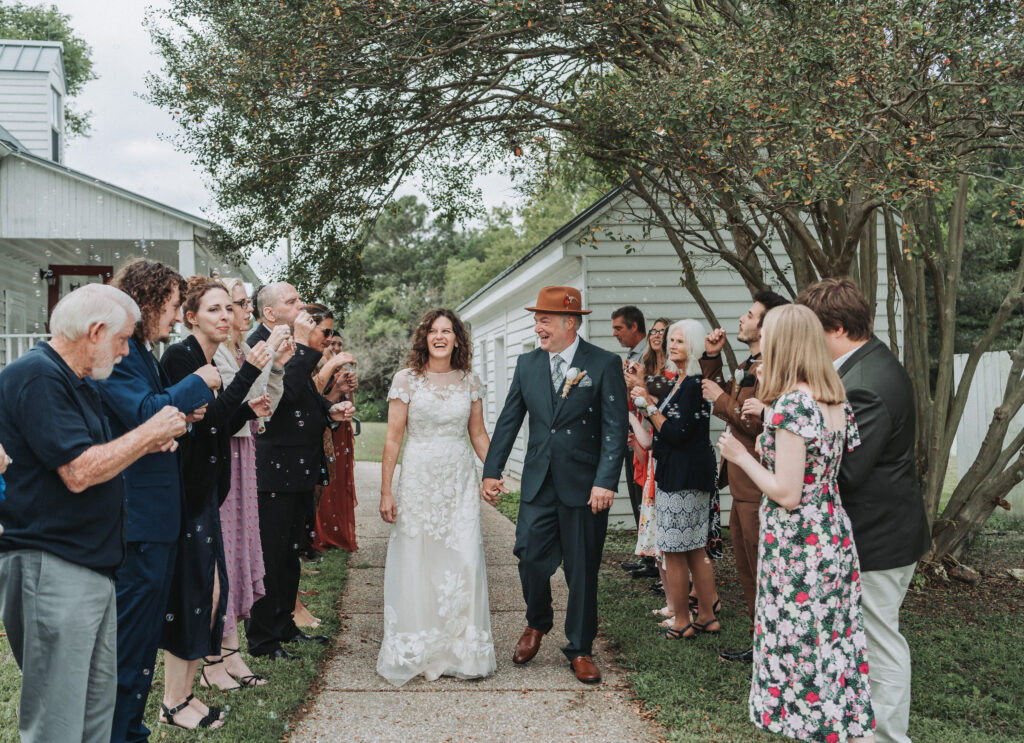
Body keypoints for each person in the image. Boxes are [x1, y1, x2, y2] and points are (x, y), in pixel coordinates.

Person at [0, 284, 186, 743]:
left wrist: (142, 441)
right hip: (53, 565)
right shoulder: (39, 376)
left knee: (94, 714)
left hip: (89, 565)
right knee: (58, 722)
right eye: (123, 339)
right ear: (96, 331)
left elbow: (94, 455)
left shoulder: (78, 380)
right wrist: (147, 434)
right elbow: (79, 471)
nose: (126, 352)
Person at [718, 303, 875, 742]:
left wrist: (741, 457)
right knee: (830, 642)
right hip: (831, 531)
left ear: (785, 342)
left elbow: (787, 492)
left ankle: (804, 727)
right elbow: (831, 464)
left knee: (798, 646)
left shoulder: (791, 405)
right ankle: (836, 726)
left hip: (798, 541)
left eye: (767, 333)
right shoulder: (835, 398)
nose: (761, 340)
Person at [797, 277, 930, 743]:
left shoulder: (866, 384)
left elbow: (847, 470)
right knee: (865, 638)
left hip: (878, 536)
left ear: (834, 327)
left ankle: (890, 737)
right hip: (879, 531)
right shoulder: (864, 365)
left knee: (878, 639)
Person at [95, 259, 219, 743]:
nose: (175, 315)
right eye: (170, 305)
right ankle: (119, 731)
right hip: (139, 521)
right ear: (147, 302)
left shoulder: (144, 351)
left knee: (145, 638)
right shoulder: (122, 355)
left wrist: (181, 419)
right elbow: (143, 411)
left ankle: (130, 726)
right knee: (130, 642)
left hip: (159, 518)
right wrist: (198, 382)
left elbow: (151, 415)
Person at [482, 286, 628, 685]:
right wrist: (491, 471)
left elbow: (615, 429)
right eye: (537, 319)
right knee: (528, 555)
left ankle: (579, 648)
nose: (537, 327)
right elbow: (509, 420)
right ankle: (537, 622)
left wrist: (604, 481)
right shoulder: (527, 364)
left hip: (585, 486)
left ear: (570, 322)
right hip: (538, 481)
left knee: (582, 570)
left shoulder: (603, 363)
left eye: (544, 319)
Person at [159, 278, 275, 730]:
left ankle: (184, 695)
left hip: (208, 488)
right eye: (215, 310)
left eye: (229, 309)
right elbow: (193, 426)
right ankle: (174, 702)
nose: (227, 317)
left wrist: (248, 409)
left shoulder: (207, 359)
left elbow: (217, 420)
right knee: (195, 595)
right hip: (186, 492)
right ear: (191, 317)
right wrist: (248, 374)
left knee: (210, 593)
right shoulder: (181, 358)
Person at [376, 308, 497, 685]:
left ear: (458, 339)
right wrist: (386, 491)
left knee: (463, 558)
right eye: (434, 331)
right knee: (418, 558)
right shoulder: (407, 380)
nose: (440, 336)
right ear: (424, 338)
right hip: (419, 478)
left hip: (459, 480)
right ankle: (419, 646)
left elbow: (477, 435)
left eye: (447, 331)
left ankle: (461, 651)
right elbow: (394, 437)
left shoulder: (470, 381)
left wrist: (492, 472)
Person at [246, 297, 355, 660]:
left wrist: (330, 410)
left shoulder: (291, 344)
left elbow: (303, 398)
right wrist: (308, 349)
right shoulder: (260, 345)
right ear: (271, 313)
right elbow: (277, 404)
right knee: (272, 558)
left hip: (297, 472)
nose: (302, 306)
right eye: (293, 301)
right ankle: (263, 639)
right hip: (273, 472)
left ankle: (284, 627)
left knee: (290, 555)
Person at [204, 277, 292, 691]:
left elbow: (262, 406)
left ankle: (232, 652)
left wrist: (273, 367)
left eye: (240, 305)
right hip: (224, 454)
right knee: (221, 557)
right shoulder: (217, 353)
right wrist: (267, 360)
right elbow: (234, 405)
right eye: (237, 304)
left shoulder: (239, 350)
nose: (245, 312)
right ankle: (212, 659)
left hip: (243, 453)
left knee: (237, 553)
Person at [699, 290, 789, 663]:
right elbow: (733, 399)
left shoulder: (774, 367)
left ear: (767, 325)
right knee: (746, 568)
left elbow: (753, 422)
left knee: (760, 567)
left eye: (750, 315)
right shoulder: (752, 361)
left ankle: (771, 647)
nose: (742, 319)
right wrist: (712, 359)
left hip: (757, 482)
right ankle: (761, 642)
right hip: (740, 482)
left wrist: (720, 398)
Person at [630, 319, 719, 639]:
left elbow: (677, 432)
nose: (672, 345)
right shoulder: (681, 381)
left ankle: (683, 620)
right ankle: (707, 616)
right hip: (683, 473)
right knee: (695, 549)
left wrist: (645, 406)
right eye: (671, 340)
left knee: (676, 551)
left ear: (693, 346)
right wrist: (647, 395)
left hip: (683, 477)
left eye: (680, 341)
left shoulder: (693, 384)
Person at [312, 329, 360, 553]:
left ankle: (338, 531)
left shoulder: (343, 372)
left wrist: (348, 390)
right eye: (332, 344)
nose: (336, 348)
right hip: (324, 430)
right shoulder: (318, 372)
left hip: (342, 430)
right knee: (326, 484)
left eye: (339, 344)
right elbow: (317, 402)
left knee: (341, 480)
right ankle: (323, 534)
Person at [611, 305, 648, 532]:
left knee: (643, 489)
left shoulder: (647, 356)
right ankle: (645, 556)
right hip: (630, 430)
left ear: (634, 326)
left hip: (644, 432)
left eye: (619, 328)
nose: (615, 333)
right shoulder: (630, 355)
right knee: (635, 489)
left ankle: (651, 559)